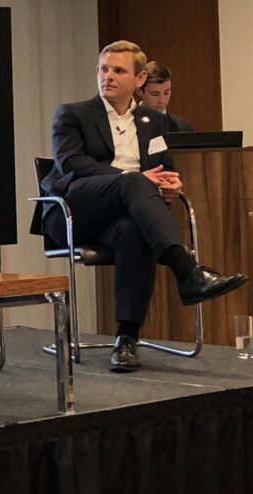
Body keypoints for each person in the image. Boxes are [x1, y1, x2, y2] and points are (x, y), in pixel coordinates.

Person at [35, 40, 246, 372]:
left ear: (139, 78)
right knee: (134, 180)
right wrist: (137, 179)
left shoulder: (154, 121)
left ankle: (126, 340)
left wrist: (171, 183)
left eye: (118, 70)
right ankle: (186, 270)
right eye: (103, 69)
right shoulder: (73, 114)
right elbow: (70, 163)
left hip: (125, 215)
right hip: (76, 211)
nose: (108, 76)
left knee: (133, 229)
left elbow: (163, 166)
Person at [135, 61, 193, 132]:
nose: (162, 101)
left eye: (166, 93)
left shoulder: (183, 127)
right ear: (139, 91)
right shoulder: (129, 124)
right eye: (155, 94)